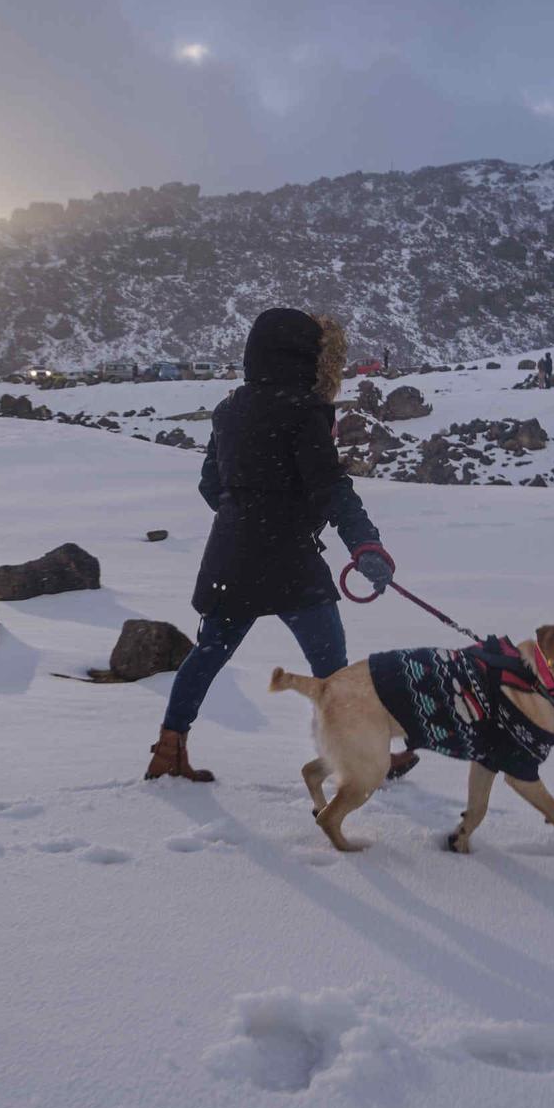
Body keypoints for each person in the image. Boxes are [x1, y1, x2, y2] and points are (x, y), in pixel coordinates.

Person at [145, 307, 415, 781]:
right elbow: (330, 487)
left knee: (208, 652)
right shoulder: (305, 411)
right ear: (304, 357)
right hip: (290, 556)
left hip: (232, 554)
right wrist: (365, 546)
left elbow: (211, 485)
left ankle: (169, 751)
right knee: (332, 667)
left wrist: (244, 518)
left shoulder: (230, 408)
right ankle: (363, 754)